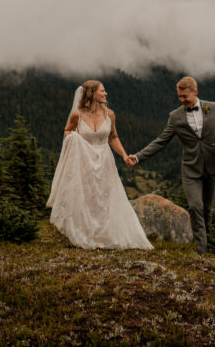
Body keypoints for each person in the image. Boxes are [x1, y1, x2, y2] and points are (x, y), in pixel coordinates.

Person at [46, 80, 153, 250]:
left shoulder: (109, 115)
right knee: (87, 197)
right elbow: (68, 131)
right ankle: (86, 234)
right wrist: (73, 139)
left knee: (105, 197)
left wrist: (125, 155)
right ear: (91, 93)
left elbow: (113, 137)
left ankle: (106, 235)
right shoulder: (77, 115)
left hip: (105, 161)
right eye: (102, 91)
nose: (106, 94)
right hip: (83, 161)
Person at [127, 76, 215, 255]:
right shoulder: (175, 117)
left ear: (195, 92)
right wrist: (138, 157)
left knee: (207, 210)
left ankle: (207, 245)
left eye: (185, 96)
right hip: (190, 169)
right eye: (179, 97)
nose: (182, 100)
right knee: (196, 207)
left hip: (213, 165)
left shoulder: (212, 108)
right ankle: (201, 253)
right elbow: (160, 141)